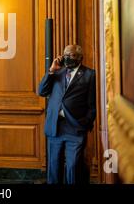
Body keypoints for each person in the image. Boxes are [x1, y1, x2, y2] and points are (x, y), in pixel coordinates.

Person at [38, 44, 96, 184]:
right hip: (55, 126)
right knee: (54, 166)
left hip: (75, 128)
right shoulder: (57, 72)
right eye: (65, 54)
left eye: (71, 55)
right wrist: (51, 71)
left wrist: (85, 123)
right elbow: (41, 91)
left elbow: (92, 104)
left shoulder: (90, 75)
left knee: (73, 167)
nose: (67, 57)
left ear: (80, 57)